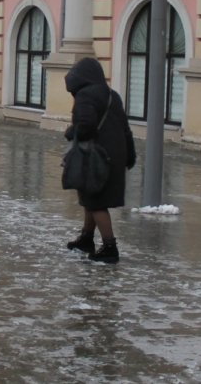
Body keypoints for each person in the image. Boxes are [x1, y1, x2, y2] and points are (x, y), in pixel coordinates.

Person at [63, 57, 136, 263]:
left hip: (96, 156)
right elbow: (125, 128)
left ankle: (109, 247)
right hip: (115, 153)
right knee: (91, 197)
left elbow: (85, 127)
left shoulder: (86, 96)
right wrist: (130, 155)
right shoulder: (113, 95)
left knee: (96, 203)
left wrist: (71, 131)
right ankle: (86, 239)